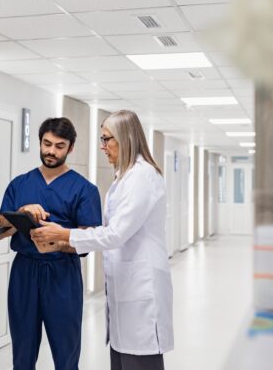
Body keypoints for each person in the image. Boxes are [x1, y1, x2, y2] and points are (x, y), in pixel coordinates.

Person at [31, 110, 174, 370]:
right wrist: (64, 240)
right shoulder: (125, 176)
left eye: (107, 139)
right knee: (122, 357)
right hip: (124, 286)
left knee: (139, 358)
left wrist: (62, 233)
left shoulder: (142, 176)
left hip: (142, 287)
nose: (102, 146)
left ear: (125, 138)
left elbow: (115, 233)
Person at [0, 117, 101, 370]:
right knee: (22, 350)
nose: (51, 151)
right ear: (40, 142)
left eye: (59, 146)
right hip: (24, 273)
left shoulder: (84, 189)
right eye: (47, 143)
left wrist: (59, 241)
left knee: (66, 353)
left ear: (70, 148)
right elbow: (0, 231)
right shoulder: (20, 184)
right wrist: (21, 212)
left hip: (62, 274)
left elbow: (90, 240)